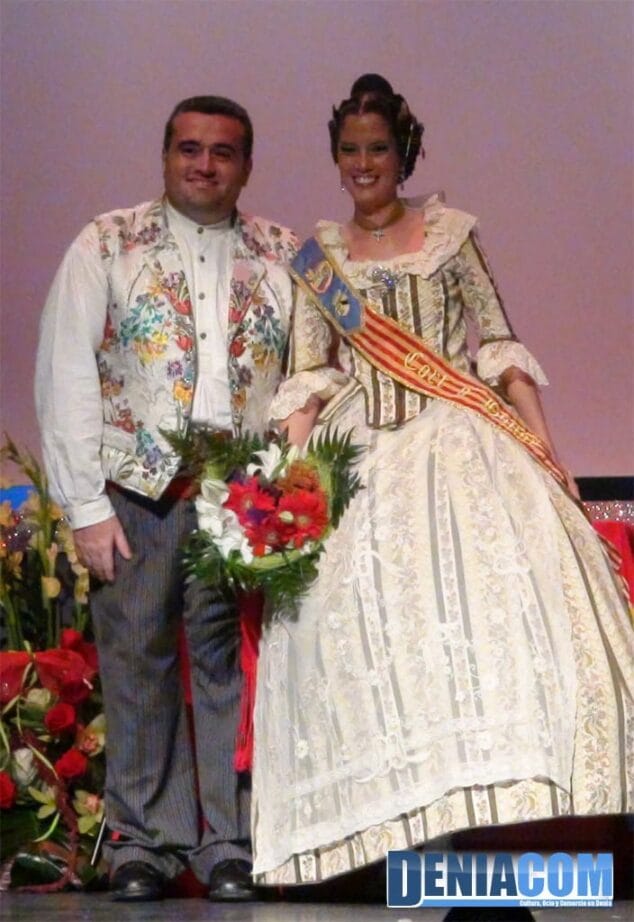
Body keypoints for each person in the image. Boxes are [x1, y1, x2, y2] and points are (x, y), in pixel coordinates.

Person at [250, 74, 634, 912]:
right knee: (368, 642)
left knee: (479, 631)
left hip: (459, 441)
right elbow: (308, 375)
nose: (363, 165)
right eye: (349, 151)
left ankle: (485, 845)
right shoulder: (317, 258)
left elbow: (496, 343)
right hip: (361, 454)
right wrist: (294, 473)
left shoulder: (452, 235)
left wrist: (545, 448)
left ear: (404, 151)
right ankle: (406, 841)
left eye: (377, 149)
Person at [35, 95, 297, 902]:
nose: (204, 165)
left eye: (222, 152)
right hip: (136, 492)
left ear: (246, 165)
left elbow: (312, 373)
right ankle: (143, 842)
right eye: (189, 149)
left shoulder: (285, 252)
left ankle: (227, 841)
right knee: (138, 661)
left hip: (241, 492)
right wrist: (83, 504)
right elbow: (67, 371)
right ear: (164, 156)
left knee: (229, 671)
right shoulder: (107, 242)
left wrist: (293, 489)